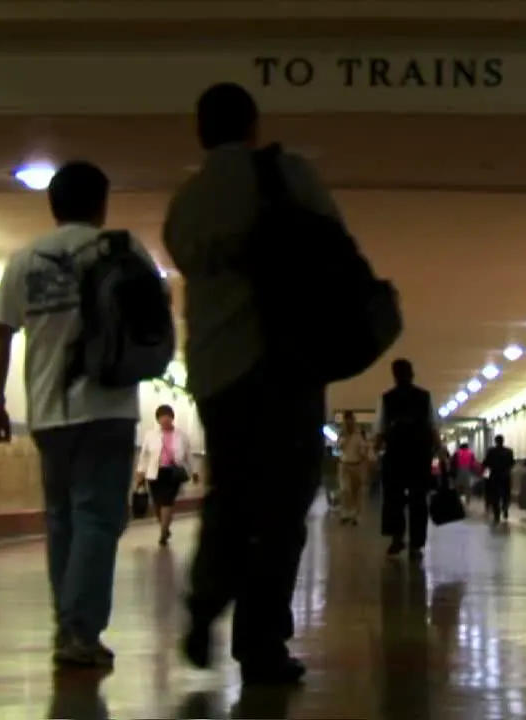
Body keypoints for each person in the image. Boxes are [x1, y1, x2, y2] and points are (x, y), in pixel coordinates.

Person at [164, 82, 334, 685]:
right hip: (285, 365)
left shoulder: (185, 203)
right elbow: (331, 246)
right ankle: (260, 644)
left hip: (215, 371)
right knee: (283, 510)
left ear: (201, 132)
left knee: (231, 497)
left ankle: (205, 602)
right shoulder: (289, 174)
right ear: (254, 126)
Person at [0, 161, 163, 669]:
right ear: (102, 203)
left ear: (53, 203)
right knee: (98, 517)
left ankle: (67, 625)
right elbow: (155, 318)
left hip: (46, 412)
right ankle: (80, 630)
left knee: (62, 518)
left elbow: (1, 332)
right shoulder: (125, 251)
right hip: (107, 405)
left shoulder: (25, 259)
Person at [375, 358, 439, 559]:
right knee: (418, 500)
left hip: (395, 454)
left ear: (394, 375)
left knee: (394, 498)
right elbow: (432, 425)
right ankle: (416, 544)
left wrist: (375, 452)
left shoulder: (387, 398)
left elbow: (381, 428)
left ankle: (397, 538)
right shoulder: (424, 397)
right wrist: (439, 449)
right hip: (419, 455)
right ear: (412, 373)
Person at [134, 404, 194, 547]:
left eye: (167, 416)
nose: (165, 420)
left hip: (173, 472)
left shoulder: (182, 436)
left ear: (172, 418)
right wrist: (140, 472)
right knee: (157, 503)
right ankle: (165, 527)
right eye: (161, 417)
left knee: (167, 501)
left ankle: (163, 532)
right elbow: (144, 455)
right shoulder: (150, 434)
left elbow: (188, 455)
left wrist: (193, 472)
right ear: (158, 419)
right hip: (155, 472)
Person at [336, 410, 371, 526]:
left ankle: (356, 515)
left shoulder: (360, 433)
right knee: (345, 490)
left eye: (351, 420)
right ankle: (345, 513)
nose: (349, 422)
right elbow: (338, 448)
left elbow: (364, 449)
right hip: (344, 464)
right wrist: (345, 436)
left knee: (357, 491)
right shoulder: (341, 433)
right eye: (346, 421)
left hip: (357, 465)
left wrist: (366, 460)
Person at [481, 434, 516, 524]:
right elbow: (512, 463)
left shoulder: (491, 451)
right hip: (505, 476)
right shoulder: (509, 451)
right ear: (503, 441)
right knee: (506, 494)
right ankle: (505, 508)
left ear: (495, 441)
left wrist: (485, 476)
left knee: (494, 496)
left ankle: (497, 515)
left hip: (494, 476)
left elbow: (486, 464)